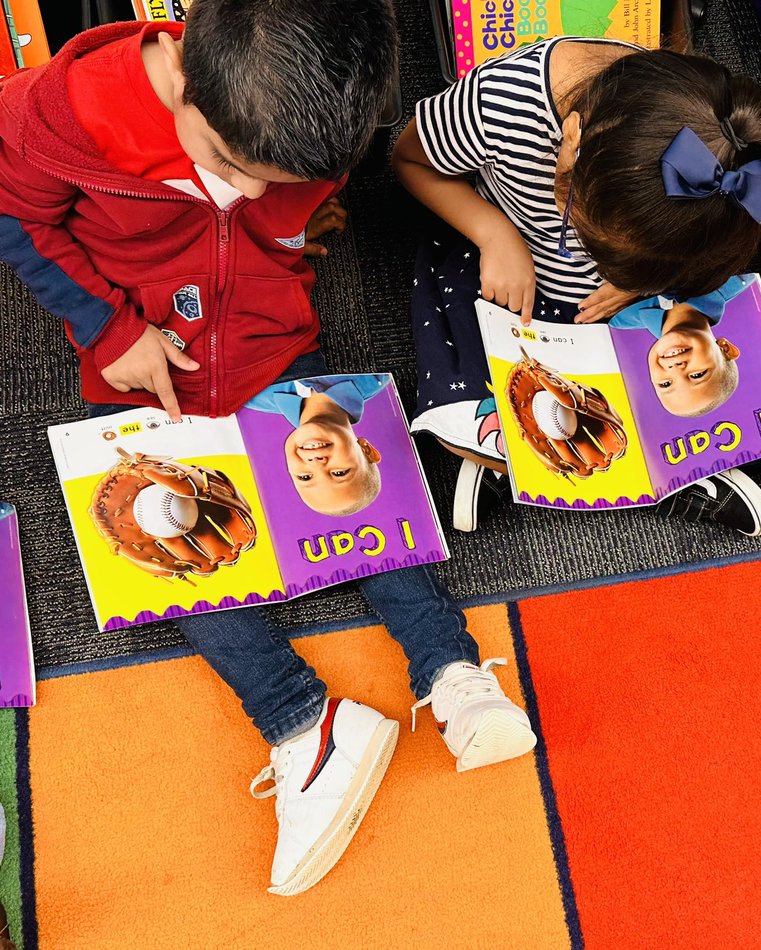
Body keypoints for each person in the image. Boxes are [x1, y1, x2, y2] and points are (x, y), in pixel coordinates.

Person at [0, 0, 535, 897]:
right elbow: (16, 217)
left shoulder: (313, 112)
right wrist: (106, 328)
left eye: (274, 178)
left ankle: (450, 670)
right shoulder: (59, 110)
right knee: (168, 548)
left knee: (351, 478)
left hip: (268, 335)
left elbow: (284, 214)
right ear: (179, 76)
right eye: (228, 166)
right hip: (141, 354)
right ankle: (300, 723)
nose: (248, 193)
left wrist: (290, 240)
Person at [393, 39, 761, 536]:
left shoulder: (722, 150)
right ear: (572, 135)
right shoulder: (500, 105)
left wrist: (636, 281)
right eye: (576, 224)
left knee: (698, 379)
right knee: (461, 406)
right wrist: (495, 234)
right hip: (507, 262)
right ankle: (660, 478)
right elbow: (407, 159)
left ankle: (515, 467)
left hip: (632, 295)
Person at [244, 374, 388, 514]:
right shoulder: (375, 375)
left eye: (305, 477)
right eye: (339, 473)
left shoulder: (248, 394)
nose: (317, 464)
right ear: (366, 450)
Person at [610, 274, 749, 417]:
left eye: (665, 384)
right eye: (697, 375)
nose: (675, 369)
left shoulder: (614, 316)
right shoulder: (738, 277)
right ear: (725, 348)